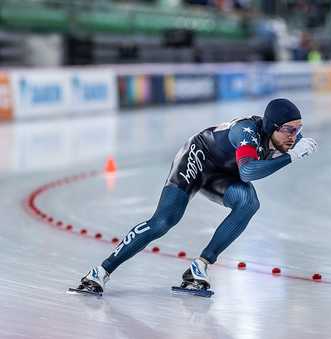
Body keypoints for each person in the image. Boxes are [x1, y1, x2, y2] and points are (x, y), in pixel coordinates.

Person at [74, 98, 318, 295]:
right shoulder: (247, 131)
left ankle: (198, 267)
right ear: (272, 126)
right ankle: (99, 272)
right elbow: (248, 171)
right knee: (163, 222)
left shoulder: (278, 140)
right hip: (198, 157)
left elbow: (245, 174)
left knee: (248, 203)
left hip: (222, 173)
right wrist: (291, 157)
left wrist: (287, 154)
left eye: (298, 130)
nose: (294, 136)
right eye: (289, 129)